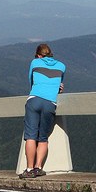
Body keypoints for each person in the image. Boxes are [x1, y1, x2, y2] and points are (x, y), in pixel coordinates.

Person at [19, 44, 66, 179]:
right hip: (50, 102)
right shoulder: (62, 66)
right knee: (43, 137)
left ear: (38, 55)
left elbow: (31, 81)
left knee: (31, 136)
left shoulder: (35, 62)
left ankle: (29, 168)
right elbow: (59, 85)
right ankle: (38, 168)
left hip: (34, 100)